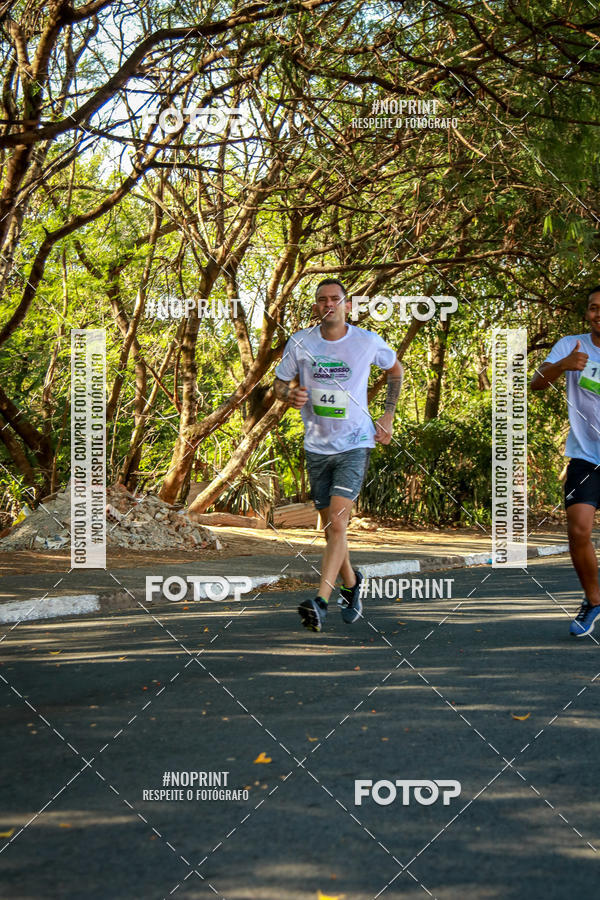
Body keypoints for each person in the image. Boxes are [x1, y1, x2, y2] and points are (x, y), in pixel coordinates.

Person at [274, 278, 403, 632]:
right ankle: (352, 582)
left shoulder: (365, 341)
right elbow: (279, 382)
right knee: (332, 529)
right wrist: (289, 394)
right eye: (321, 299)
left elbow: (395, 369)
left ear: (347, 304)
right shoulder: (300, 342)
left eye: (335, 298)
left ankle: (321, 601)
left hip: (355, 442)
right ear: (315, 306)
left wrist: (388, 414)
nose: (328, 303)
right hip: (316, 445)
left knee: (337, 523)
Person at [531, 285, 600, 637]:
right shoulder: (571, 345)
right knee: (578, 531)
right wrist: (564, 364)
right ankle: (593, 601)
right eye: (593, 307)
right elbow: (537, 383)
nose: (597, 313)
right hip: (586, 456)